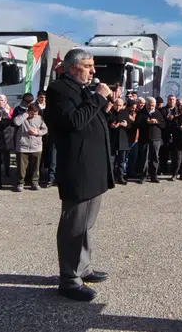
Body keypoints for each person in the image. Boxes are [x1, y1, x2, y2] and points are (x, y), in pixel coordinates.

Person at [46, 47, 114, 302]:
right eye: (88, 66)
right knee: (74, 224)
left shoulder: (83, 90)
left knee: (86, 223)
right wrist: (97, 98)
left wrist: (102, 104)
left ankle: (83, 267)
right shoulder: (60, 90)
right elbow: (73, 122)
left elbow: (90, 119)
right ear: (73, 68)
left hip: (93, 167)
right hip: (78, 168)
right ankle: (69, 279)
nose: (93, 71)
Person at [12, 102, 48, 191]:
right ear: (28, 111)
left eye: (36, 114)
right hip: (23, 146)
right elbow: (16, 122)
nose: (34, 116)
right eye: (32, 114)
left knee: (36, 167)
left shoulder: (39, 118)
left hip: (36, 146)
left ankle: (35, 182)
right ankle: (20, 183)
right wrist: (25, 115)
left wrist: (38, 133)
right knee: (22, 167)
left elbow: (45, 129)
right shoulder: (22, 117)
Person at [135, 97, 166, 183]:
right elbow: (136, 124)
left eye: (153, 106)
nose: (151, 107)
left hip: (156, 139)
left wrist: (157, 122)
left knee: (155, 157)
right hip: (144, 139)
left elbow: (164, 125)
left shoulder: (157, 113)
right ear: (146, 104)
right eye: (150, 105)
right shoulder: (141, 113)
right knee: (144, 157)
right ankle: (143, 175)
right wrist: (146, 122)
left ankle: (154, 175)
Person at [108, 98, 132, 184]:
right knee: (112, 160)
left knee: (121, 161)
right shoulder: (110, 113)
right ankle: (111, 178)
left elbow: (130, 126)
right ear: (114, 105)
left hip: (123, 140)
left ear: (123, 106)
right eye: (117, 105)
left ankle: (120, 177)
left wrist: (126, 125)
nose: (118, 107)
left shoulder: (125, 113)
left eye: (120, 105)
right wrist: (111, 125)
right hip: (112, 140)